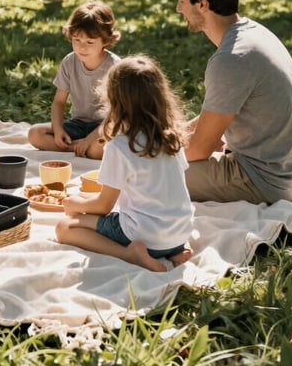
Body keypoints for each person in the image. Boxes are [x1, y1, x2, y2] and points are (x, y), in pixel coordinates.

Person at [167, 0, 292, 204]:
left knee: (148, 176)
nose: (178, 8)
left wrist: (155, 155)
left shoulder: (231, 59)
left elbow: (199, 150)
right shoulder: (253, 33)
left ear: (202, 4)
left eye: (181, 0)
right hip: (283, 172)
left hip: (263, 182)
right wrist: (174, 133)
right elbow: (222, 111)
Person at [56, 55, 194, 272]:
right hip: (180, 233)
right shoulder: (171, 137)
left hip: (146, 236)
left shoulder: (120, 146)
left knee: (64, 227)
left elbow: (103, 206)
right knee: (95, 214)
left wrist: (76, 204)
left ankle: (129, 254)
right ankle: (175, 251)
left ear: (113, 100)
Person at [27, 0, 120, 159]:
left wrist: (91, 139)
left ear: (105, 40)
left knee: (102, 147)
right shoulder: (69, 62)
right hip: (77, 125)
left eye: (90, 42)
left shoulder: (115, 67)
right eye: (76, 40)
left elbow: (116, 114)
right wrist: (57, 130)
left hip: (104, 126)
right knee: (34, 134)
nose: (82, 47)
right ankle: (78, 148)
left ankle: (84, 147)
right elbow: (59, 102)